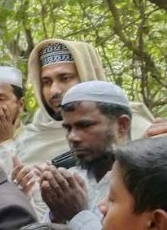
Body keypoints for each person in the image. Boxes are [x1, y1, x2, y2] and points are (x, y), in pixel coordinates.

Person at [33, 81, 141, 230]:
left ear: (122, 125)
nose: (73, 137)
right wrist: (56, 215)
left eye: (85, 126)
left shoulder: (145, 182)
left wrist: (78, 217)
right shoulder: (71, 178)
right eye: (68, 128)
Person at [16, 39, 154, 167]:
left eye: (65, 78)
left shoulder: (136, 127)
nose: (54, 91)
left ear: (88, 75)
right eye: (47, 82)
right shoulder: (28, 138)